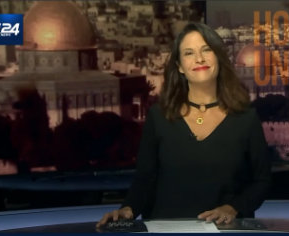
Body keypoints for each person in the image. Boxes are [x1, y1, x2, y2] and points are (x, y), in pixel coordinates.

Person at [97, 22, 271, 227]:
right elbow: (145, 179)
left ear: (219, 58)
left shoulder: (245, 119)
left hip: (225, 230)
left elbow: (261, 182)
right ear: (179, 66)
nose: (199, 58)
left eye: (206, 50)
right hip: (166, 229)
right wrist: (128, 209)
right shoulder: (159, 117)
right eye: (189, 53)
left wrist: (233, 208)